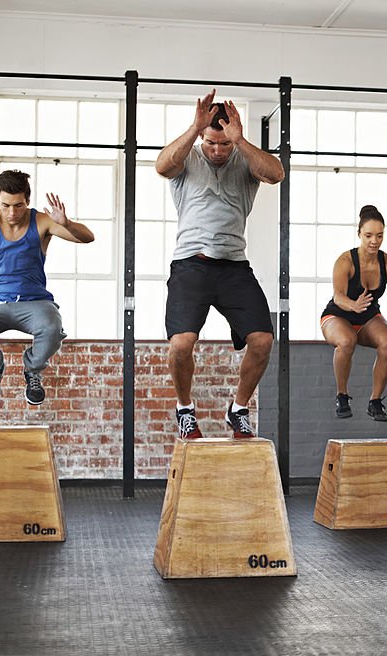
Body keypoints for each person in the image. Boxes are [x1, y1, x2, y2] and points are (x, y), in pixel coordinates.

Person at [155, 89, 284, 439]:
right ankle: (184, 409)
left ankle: (238, 409)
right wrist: (194, 129)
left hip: (233, 267)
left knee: (262, 340)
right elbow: (162, 166)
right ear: (202, 138)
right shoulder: (189, 158)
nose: (216, 150)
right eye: (211, 142)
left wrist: (240, 140)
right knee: (181, 344)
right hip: (190, 266)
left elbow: (276, 174)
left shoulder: (244, 159)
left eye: (223, 144)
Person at [0, 170, 94, 407]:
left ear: (27, 200)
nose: (12, 213)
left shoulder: (41, 221)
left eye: (19, 205)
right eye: (6, 205)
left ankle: (33, 370)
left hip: (34, 302)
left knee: (52, 328)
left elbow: (87, 237)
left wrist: (67, 223)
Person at [320, 205, 387, 421]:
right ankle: (342, 395)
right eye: (368, 235)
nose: (374, 241)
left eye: (379, 236)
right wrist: (353, 305)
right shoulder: (345, 261)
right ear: (359, 234)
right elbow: (338, 296)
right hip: (338, 316)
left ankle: (375, 401)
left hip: (367, 318)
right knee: (347, 340)